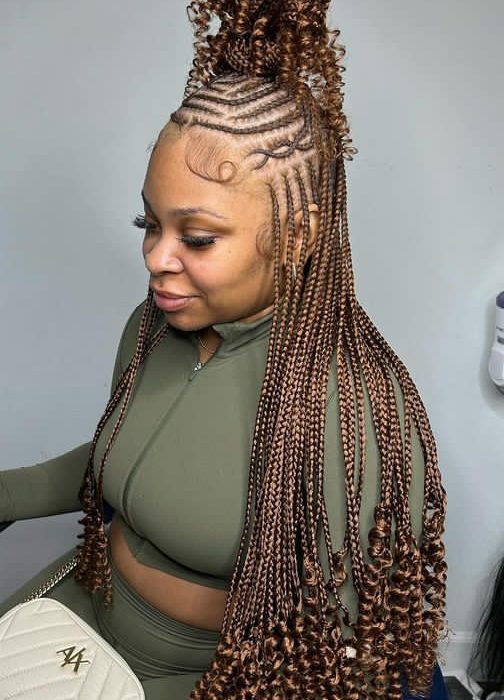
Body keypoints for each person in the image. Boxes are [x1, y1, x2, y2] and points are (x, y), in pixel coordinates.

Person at [0, 1, 448, 698]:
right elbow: (125, 457)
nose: (157, 257)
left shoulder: (357, 411)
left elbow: (351, 651)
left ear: (297, 234)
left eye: (197, 237)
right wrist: (11, 490)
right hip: (80, 606)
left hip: (216, 673)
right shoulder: (152, 328)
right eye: (149, 222)